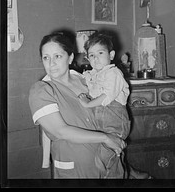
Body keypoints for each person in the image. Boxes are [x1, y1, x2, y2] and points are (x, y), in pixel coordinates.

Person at [28, 32, 126, 179]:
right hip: (76, 168)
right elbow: (61, 131)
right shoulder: (41, 90)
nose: (51, 63)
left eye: (58, 56)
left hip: (109, 163)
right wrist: (105, 138)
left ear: (70, 58)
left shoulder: (86, 80)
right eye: (46, 58)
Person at [77, 32, 131, 177]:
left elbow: (106, 96)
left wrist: (87, 104)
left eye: (100, 53)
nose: (96, 58)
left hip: (114, 124)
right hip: (101, 125)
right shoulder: (93, 74)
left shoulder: (114, 73)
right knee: (109, 161)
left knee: (103, 159)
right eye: (92, 55)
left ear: (111, 55)